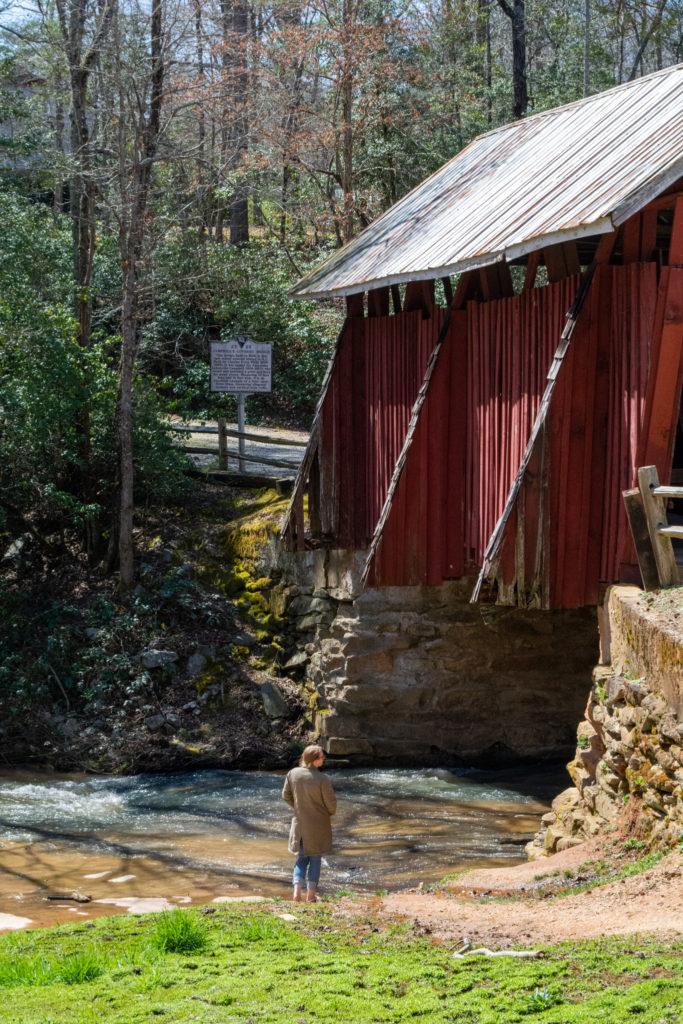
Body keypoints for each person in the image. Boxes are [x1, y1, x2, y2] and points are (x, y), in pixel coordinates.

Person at [282, 744, 336, 902]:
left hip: (299, 823)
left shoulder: (292, 773)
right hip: (318, 824)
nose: (323, 758)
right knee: (315, 859)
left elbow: (286, 795)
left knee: (301, 859)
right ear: (314, 760)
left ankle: (296, 894)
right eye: (321, 756)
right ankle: (311, 896)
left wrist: (299, 807)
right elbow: (331, 804)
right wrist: (328, 813)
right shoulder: (322, 779)